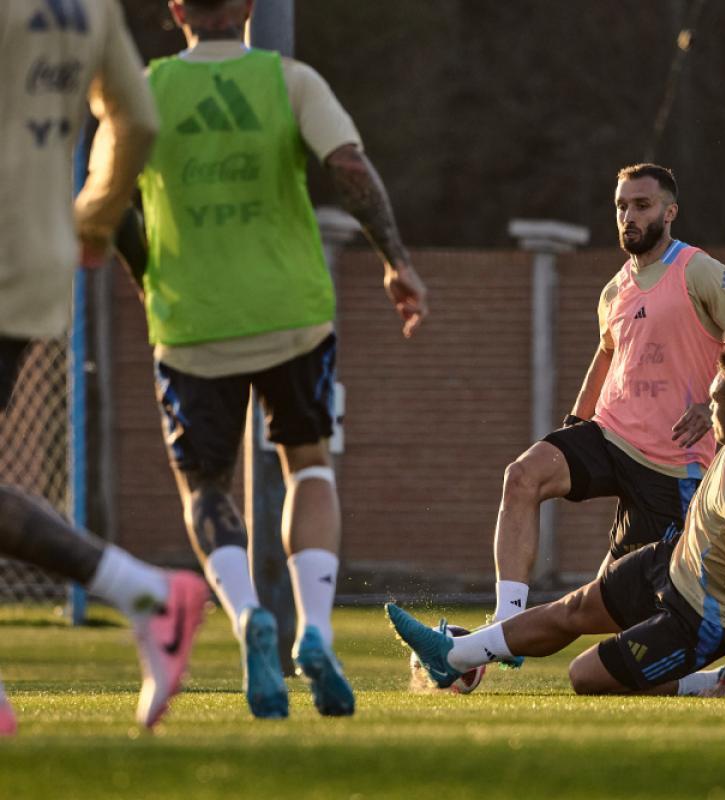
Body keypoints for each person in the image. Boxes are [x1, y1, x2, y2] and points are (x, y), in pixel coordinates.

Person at [99, 0, 428, 719]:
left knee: (206, 488)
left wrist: (150, 272)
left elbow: (108, 202)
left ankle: (250, 615)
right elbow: (349, 167)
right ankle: (316, 630)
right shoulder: (290, 80)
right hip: (293, 316)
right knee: (308, 463)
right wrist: (395, 262)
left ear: (176, 10)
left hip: (192, 324)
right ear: (248, 7)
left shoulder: (143, 88)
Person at [389, 269, 725, 694]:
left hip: (700, 618)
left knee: (586, 676)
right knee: (572, 609)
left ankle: (706, 683)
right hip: (672, 563)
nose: (705, 413)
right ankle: (452, 656)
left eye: (711, 406)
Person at [0, 0, 209, 734]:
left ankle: (146, 592)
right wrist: (93, 217)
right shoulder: (88, 8)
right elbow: (137, 119)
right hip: (35, 258)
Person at [490, 163, 725, 630]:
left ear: (670, 212)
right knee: (522, 477)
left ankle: (698, 676)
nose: (629, 215)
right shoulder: (613, 290)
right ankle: (501, 624)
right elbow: (606, 357)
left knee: (615, 606)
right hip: (611, 436)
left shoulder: (699, 270)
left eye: (641, 205)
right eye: (622, 206)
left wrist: (714, 409)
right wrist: (575, 424)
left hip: (673, 463)